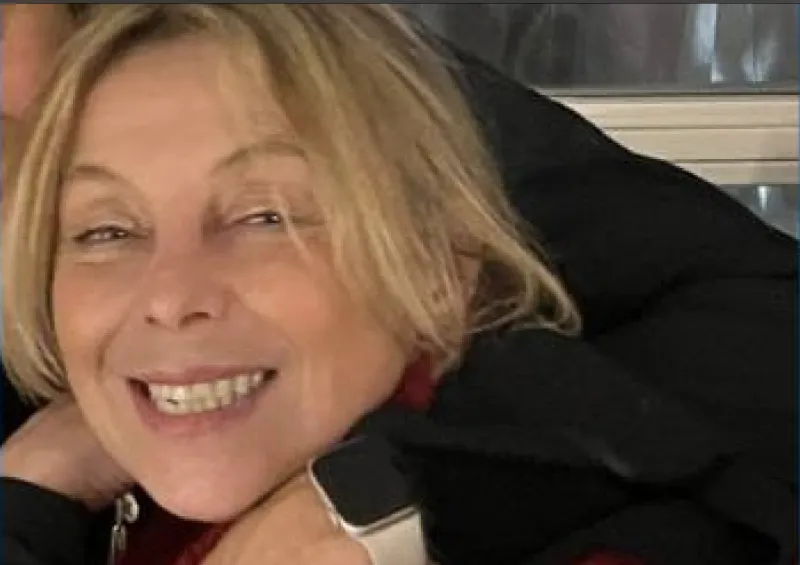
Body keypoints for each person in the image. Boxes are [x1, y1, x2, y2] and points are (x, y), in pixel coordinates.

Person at [3, 5, 795, 565]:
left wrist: (401, 484)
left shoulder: (284, 81)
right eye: (104, 231)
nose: (169, 295)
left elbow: (765, 321)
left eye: (265, 216)